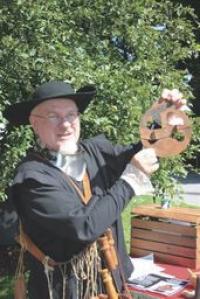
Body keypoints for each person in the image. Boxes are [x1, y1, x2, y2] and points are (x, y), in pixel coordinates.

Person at [3, 81, 185, 299]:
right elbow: (83, 226)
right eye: (53, 116)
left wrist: (161, 118)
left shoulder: (96, 150)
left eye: (71, 114)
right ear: (35, 124)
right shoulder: (32, 177)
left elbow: (144, 150)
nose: (65, 124)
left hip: (114, 286)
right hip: (65, 292)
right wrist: (131, 179)